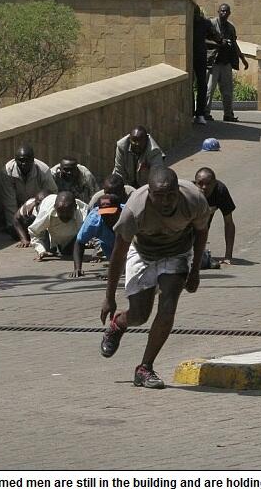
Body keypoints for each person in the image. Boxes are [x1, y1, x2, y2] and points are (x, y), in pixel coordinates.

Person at [99, 166, 210, 389]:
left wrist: (195, 270)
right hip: (143, 253)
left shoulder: (194, 200)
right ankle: (118, 325)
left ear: (178, 191)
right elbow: (118, 255)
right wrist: (109, 297)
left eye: (171, 195)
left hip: (177, 252)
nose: (166, 202)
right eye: (159, 196)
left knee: (168, 305)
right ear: (149, 193)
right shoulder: (134, 210)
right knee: (140, 315)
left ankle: (145, 368)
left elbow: (201, 232)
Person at [0, 144, 57, 238]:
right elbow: (9, 201)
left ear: (33, 160)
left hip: (39, 205)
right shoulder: (7, 171)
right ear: (15, 160)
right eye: (21, 160)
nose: (24, 163)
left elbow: (52, 194)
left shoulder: (43, 170)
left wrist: (36, 203)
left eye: (27, 160)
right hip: (19, 207)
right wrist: (13, 226)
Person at [206, 3, 250, 123]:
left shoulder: (230, 27)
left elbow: (234, 44)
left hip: (226, 63)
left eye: (226, 11)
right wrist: (220, 43)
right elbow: (204, 39)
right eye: (222, 11)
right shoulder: (211, 24)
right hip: (214, 62)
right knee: (209, 89)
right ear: (218, 11)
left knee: (227, 91)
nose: (224, 13)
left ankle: (228, 114)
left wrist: (243, 58)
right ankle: (205, 113)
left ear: (229, 13)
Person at [70, 194, 121, 279]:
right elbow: (79, 242)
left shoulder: (129, 216)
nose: (107, 217)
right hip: (109, 247)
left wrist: (113, 270)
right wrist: (77, 268)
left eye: (110, 214)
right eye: (104, 214)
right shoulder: (93, 220)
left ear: (119, 210)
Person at [193, 167, 236, 265]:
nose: (204, 187)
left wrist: (228, 256)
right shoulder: (190, 193)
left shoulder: (220, 191)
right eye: (200, 183)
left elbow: (229, 222)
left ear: (215, 183)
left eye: (208, 184)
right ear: (195, 183)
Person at [28, 191, 88, 261]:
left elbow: (96, 230)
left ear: (75, 207)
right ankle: (52, 244)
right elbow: (34, 231)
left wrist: (97, 252)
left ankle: (62, 245)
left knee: (68, 252)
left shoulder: (84, 213)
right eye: (61, 212)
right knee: (49, 250)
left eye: (68, 212)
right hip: (48, 224)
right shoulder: (46, 212)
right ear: (55, 208)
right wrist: (40, 250)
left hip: (70, 234)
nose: (64, 215)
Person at [192, 7, 221, 125]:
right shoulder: (204, 23)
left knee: (196, 85)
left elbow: (215, 36)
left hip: (193, 54)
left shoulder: (191, 22)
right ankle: (199, 114)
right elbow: (216, 36)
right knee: (201, 85)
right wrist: (221, 41)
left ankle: (195, 113)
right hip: (199, 55)